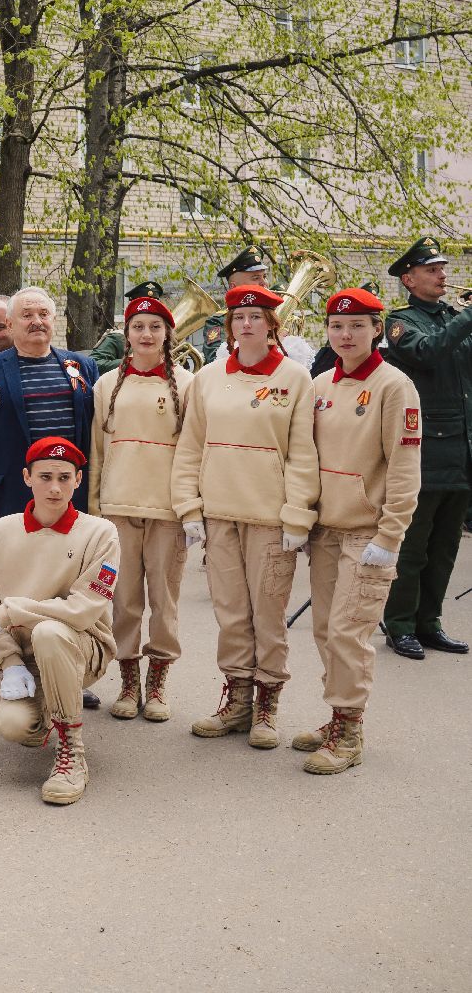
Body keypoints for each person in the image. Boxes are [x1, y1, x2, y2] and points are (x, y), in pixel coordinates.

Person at [173, 284, 318, 749]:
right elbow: (190, 446)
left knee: (268, 616)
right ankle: (237, 702)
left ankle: (267, 704)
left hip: (270, 519)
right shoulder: (209, 378)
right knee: (232, 614)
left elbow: (302, 453)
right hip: (219, 514)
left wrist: (298, 515)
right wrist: (189, 506)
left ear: (272, 324)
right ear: (229, 325)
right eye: (238, 317)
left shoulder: (296, 378)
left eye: (256, 316)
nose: (246, 324)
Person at [296, 288, 422, 774]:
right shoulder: (320, 384)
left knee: (349, 631)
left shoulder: (395, 386)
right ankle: (337, 715)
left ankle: (349, 730)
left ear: (376, 330)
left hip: (367, 533)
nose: (345, 335)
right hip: (326, 529)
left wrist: (390, 536)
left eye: (356, 326)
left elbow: (404, 466)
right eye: (336, 326)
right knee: (326, 630)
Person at [0, 288, 99, 682]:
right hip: (8, 495)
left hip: (69, 497)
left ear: (54, 320)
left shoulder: (81, 367)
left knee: (67, 584)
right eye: (27, 315)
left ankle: (66, 671)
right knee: (11, 585)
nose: (37, 322)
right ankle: (9, 666)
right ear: (12, 324)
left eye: (44, 314)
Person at [0, 438, 118, 805]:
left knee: (50, 632)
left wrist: (11, 611)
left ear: (78, 480)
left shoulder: (101, 533)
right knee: (15, 726)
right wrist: (9, 662)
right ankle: (48, 706)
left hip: (80, 647)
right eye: (45, 477)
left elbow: (83, 610)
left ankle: (72, 752)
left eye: (64, 478)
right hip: (22, 656)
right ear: (26, 477)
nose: (55, 488)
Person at [87, 295, 193, 722]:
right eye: (138, 327)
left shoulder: (187, 384)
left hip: (168, 509)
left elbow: (193, 451)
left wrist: (190, 508)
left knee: (165, 601)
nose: (146, 334)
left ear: (167, 334)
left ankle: (158, 681)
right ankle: (129, 681)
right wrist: (94, 507)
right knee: (124, 601)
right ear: (126, 334)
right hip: (117, 506)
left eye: (154, 327)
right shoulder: (105, 384)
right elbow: (97, 449)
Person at [380, 237, 472, 658]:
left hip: (461, 450)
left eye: (442, 268)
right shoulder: (401, 322)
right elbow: (428, 353)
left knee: (445, 548)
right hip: (427, 450)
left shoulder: (454, 317)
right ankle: (400, 624)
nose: (442, 275)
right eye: (432, 269)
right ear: (409, 279)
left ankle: (430, 622)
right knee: (414, 547)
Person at [200, 246, 271, 364]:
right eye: (255, 278)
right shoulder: (218, 321)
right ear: (233, 287)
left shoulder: (274, 314)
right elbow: (216, 360)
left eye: (264, 276)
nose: (264, 283)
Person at [88, 280, 165, 371]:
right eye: (138, 326)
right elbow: (93, 364)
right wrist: (131, 362)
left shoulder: (162, 338)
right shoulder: (117, 337)